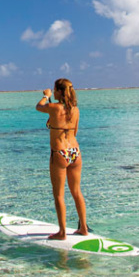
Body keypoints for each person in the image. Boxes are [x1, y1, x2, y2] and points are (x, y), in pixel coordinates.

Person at [36, 78, 87, 239]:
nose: (53, 92)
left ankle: (62, 232)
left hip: (59, 153)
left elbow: (38, 106)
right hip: (74, 151)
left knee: (59, 194)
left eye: (54, 90)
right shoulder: (76, 110)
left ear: (58, 91)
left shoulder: (54, 107)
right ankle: (83, 228)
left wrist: (46, 95)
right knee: (76, 191)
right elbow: (75, 131)